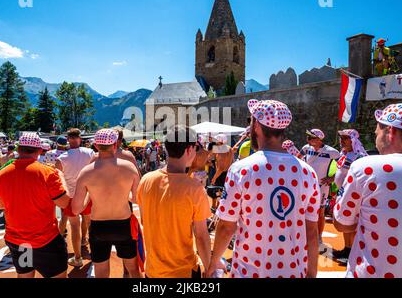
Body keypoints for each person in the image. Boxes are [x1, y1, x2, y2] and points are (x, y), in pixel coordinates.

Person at [207, 100, 320, 278]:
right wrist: (312, 273)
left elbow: (227, 227)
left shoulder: (241, 170)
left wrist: (213, 262)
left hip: (250, 272)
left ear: (257, 125)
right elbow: (312, 231)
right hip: (293, 271)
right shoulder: (308, 173)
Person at [334, 103, 402, 278]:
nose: (375, 133)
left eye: (378, 129)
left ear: (391, 131)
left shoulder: (366, 166)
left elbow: (341, 222)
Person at [0, 133, 70, 278]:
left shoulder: (1, 174)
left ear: (19, 149)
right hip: (46, 241)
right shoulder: (48, 173)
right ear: (39, 150)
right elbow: (64, 202)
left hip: (18, 241)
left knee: (25, 275)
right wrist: (61, 177)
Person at [137, 125, 211, 278]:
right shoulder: (194, 188)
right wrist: (209, 268)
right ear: (189, 149)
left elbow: (145, 220)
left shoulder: (146, 180)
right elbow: (202, 236)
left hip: (153, 270)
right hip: (183, 271)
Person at [72, 129, 142, 278]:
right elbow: (137, 199)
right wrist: (123, 194)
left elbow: (76, 208)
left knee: (101, 273)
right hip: (124, 225)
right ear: (115, 145)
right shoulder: (129, 168)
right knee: (134, 270)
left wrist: (91, 194)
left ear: (96, 146)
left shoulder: (86, 172)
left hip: (99, 226)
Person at [55, 128, 95, 267]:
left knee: (74, 226)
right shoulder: (90, 153)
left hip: (71, 196)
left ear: (68, 139)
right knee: (87, 221)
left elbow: (58, 180)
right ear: (79, 138)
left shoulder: (61, 158)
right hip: (86, 194)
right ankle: (85, 241)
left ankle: (77, 258)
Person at [331, 129, 368, 262]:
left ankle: (352, 251)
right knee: (344, 221)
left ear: (353, 140)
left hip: (353, 196)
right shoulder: (344, 154)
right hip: (341, 194)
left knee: (351, 224)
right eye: (341, 138)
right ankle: (347, 248)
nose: (341, 141)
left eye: (345, 138)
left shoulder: (359, 156)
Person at [300, 129, 340, 245]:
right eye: (307, 136)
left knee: (320, 212)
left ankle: (319, 237)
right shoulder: (306, 148)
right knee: (303, 209)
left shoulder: (332, 152)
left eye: (310, 137)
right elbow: (297, 159)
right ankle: (304, 235)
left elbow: (343, 167)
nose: (308, 139)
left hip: (322, 186)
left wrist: (331, 178)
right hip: (306, 185)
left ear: (318, 139)